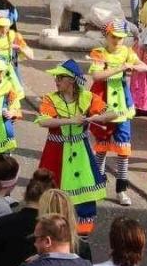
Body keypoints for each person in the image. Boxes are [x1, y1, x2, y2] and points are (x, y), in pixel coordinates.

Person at [35, 59, 110, 237]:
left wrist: (95, 118)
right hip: (55, 152)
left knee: (85, 200)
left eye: (60, 77)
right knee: (53, 199)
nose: (56, 80)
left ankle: (82, 243)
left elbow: (112, 113)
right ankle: (55, 241)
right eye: (56, 77)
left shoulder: (87, 97)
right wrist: (70, 120)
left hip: (81, 153)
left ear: (72, 80)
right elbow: (43, 121)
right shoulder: (50, 99)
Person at [88, 19, 146, 206]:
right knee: (102, 147)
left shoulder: (127, 52)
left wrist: (135, 66)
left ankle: (122, 189)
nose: (118, 41)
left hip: (122, 105)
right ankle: (98, 183)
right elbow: (96, 76)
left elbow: (143, 67)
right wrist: (120, 68)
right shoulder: (99, 53)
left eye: (121, 38)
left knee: (123, 149)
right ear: (106, 36)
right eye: (114, 37)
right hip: (104, 105)